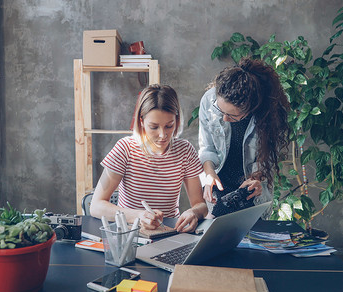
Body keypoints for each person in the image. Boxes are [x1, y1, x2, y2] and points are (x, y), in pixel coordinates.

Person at [90, 84, 208, 232]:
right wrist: (138, 215)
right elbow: (96, 206)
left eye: (169, 126)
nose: (162, 135)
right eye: (154, 127)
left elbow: (201, 205)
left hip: (169, 233)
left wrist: (194, 212)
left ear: (177, 121)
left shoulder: (185, 150)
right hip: (132, 234)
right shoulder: (125, 149)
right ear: (141, 122)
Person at [198, 57, 291, 217]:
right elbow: (207, 148)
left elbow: (266, 158)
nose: (225, 118)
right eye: (221, 111)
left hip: (250, 190)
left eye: (232, 115)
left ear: (251, 109)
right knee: (215, 235)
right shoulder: (209, 99)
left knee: (251, 238)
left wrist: (257, 179)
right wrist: (209, 174)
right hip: (219, 185)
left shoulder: (270, 116)